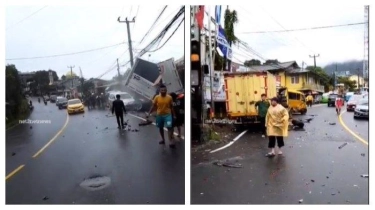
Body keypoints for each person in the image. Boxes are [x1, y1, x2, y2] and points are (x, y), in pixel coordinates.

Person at [148, 84, 176, 148]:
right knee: (161, 128)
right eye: (162, 90)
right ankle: (163, 139)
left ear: (166, 90)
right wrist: (149, 113)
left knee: (169, 128)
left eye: (164, 90)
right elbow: (153, 106)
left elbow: (172, 107)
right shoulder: (157, 97)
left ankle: (170, 141)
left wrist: (174, 115)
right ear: (160, 91)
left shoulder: (169, 97)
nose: (163, 91)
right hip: (159, 115)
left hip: (168, 115)